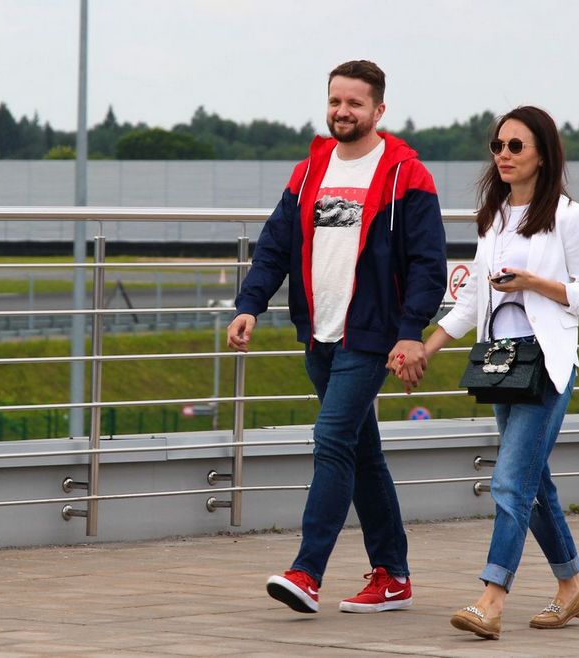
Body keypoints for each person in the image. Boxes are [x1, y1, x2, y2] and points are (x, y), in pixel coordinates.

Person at [227, 60, 446, 614]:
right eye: (335, 101)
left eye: (354, 103)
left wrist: (410, 333)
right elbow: (274, 245)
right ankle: (393, 576)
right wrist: (250, 305)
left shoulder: (405, 174)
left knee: (330, 440)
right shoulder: (309, 172)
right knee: (362, 453)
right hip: (318, 335)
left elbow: (428, 264)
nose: (342, 112)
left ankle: (307, 572)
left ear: (378, 109)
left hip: (371, 336)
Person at [407, 106, 579, 639]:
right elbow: (474, 298)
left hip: (545, 363)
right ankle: (571, 586)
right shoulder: (494, 217)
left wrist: (533, 283)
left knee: (510, 481)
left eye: (516, 146)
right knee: (531, 481)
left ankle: (491, 599)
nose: (504, 155)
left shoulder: (569, 217)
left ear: (543, 153)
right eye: (498, 146)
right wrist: (429, 346)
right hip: (500, 363)